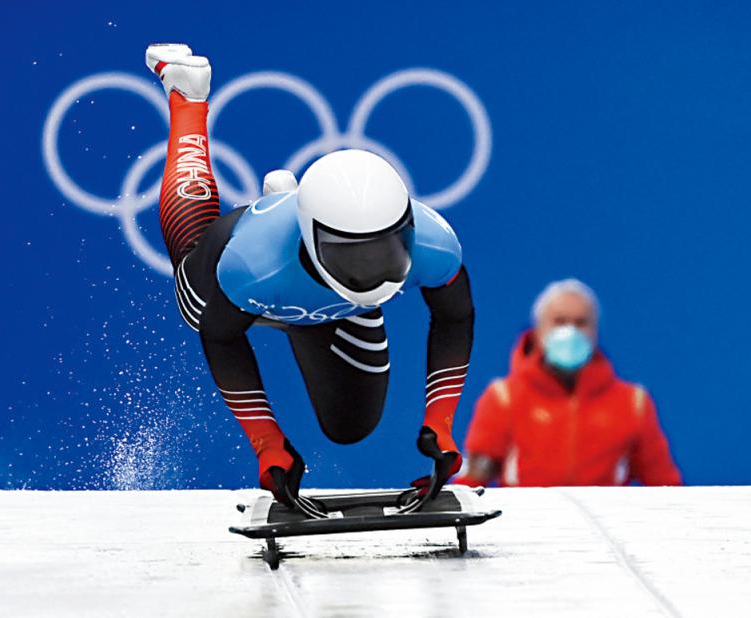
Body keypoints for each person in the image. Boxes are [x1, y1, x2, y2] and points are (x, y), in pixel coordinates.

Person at [145, 44, 474, 504]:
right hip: (262, 279)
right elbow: (222, 339)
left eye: (386, 249)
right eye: (353, 256)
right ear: (311, 237)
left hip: (325, 300)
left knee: (349, 427)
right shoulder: (251, 268)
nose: (373, 268)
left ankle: (286, 202)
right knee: (195, 303)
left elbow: (455, 318)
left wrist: (441, 422)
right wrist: (267, 444)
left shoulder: (437, 246)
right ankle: (186, 98)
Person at [457, 278, 682, 487]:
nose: (570, 331)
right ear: (538, 330)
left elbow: (665, 485)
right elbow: (473, 479)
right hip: (526, 525)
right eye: (559, 321)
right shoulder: (503, 398)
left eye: (580, 322)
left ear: (595, 331)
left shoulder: (633, 403)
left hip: (601, 526)